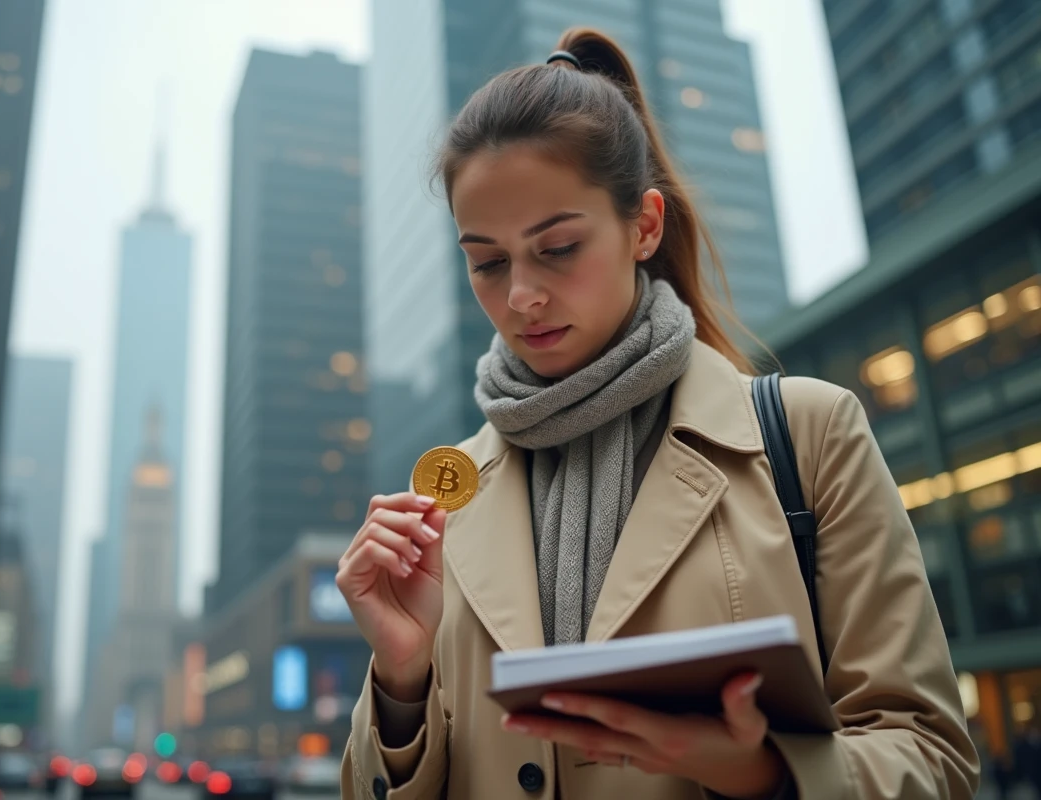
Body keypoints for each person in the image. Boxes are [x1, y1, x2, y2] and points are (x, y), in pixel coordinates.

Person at [336, 27, 979, 800]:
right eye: (488, 261)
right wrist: (402, 678)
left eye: (559, 247)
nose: (521, 297)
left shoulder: (809, 435)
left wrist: (764, 772)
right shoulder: (452, 495)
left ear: (643, 225)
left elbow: (934, 759)